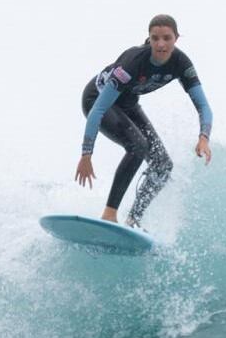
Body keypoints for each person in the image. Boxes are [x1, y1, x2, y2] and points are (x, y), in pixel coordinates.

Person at [75, 14, 213, 226]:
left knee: (163, 165)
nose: (161, 44)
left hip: (128, 104)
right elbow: (98, 110)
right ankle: (109, 215)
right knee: (138, 146)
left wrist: (204, 137)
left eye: (167, 38)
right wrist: (86, 154)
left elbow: (203, 106)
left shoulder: (181, 64)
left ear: (176, 38)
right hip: (97, 100)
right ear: (149, 38)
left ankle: (133, 219)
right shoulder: (133, 61)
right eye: (155, 38)